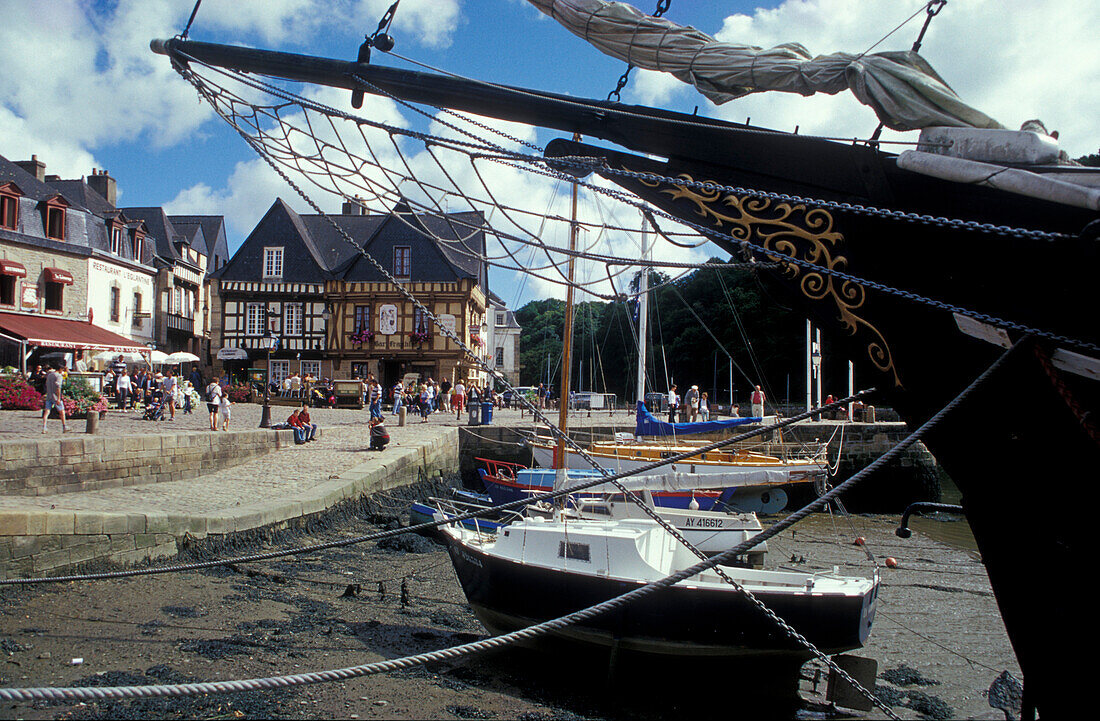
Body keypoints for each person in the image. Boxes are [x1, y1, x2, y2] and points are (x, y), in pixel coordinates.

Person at [40, 364, 67, 433]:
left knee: (47, 411)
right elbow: (58, 387)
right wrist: (58, 398)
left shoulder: (49, 375)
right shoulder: (58, 376)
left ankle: (44, 427)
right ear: (60, 369)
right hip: (55, 396)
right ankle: (64, 426)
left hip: (49, 395)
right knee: (62, 411)